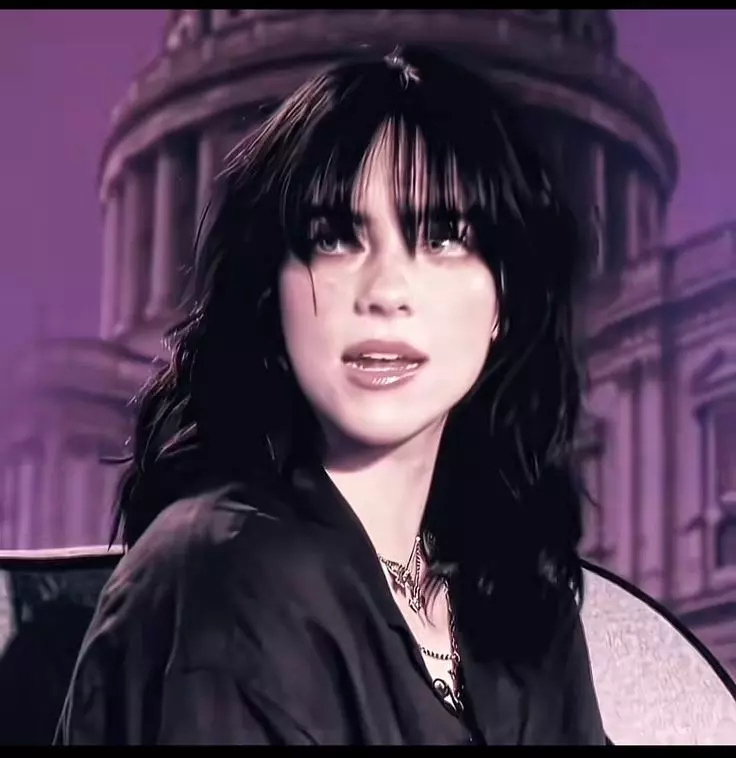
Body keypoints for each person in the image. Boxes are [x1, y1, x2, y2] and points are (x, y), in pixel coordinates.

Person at [56, 45, 608, 745]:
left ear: (506, 297)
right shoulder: (220, 578)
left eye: (443, 237)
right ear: (272, 290)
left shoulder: (519, 593)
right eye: (335, 238)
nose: (385, 292)